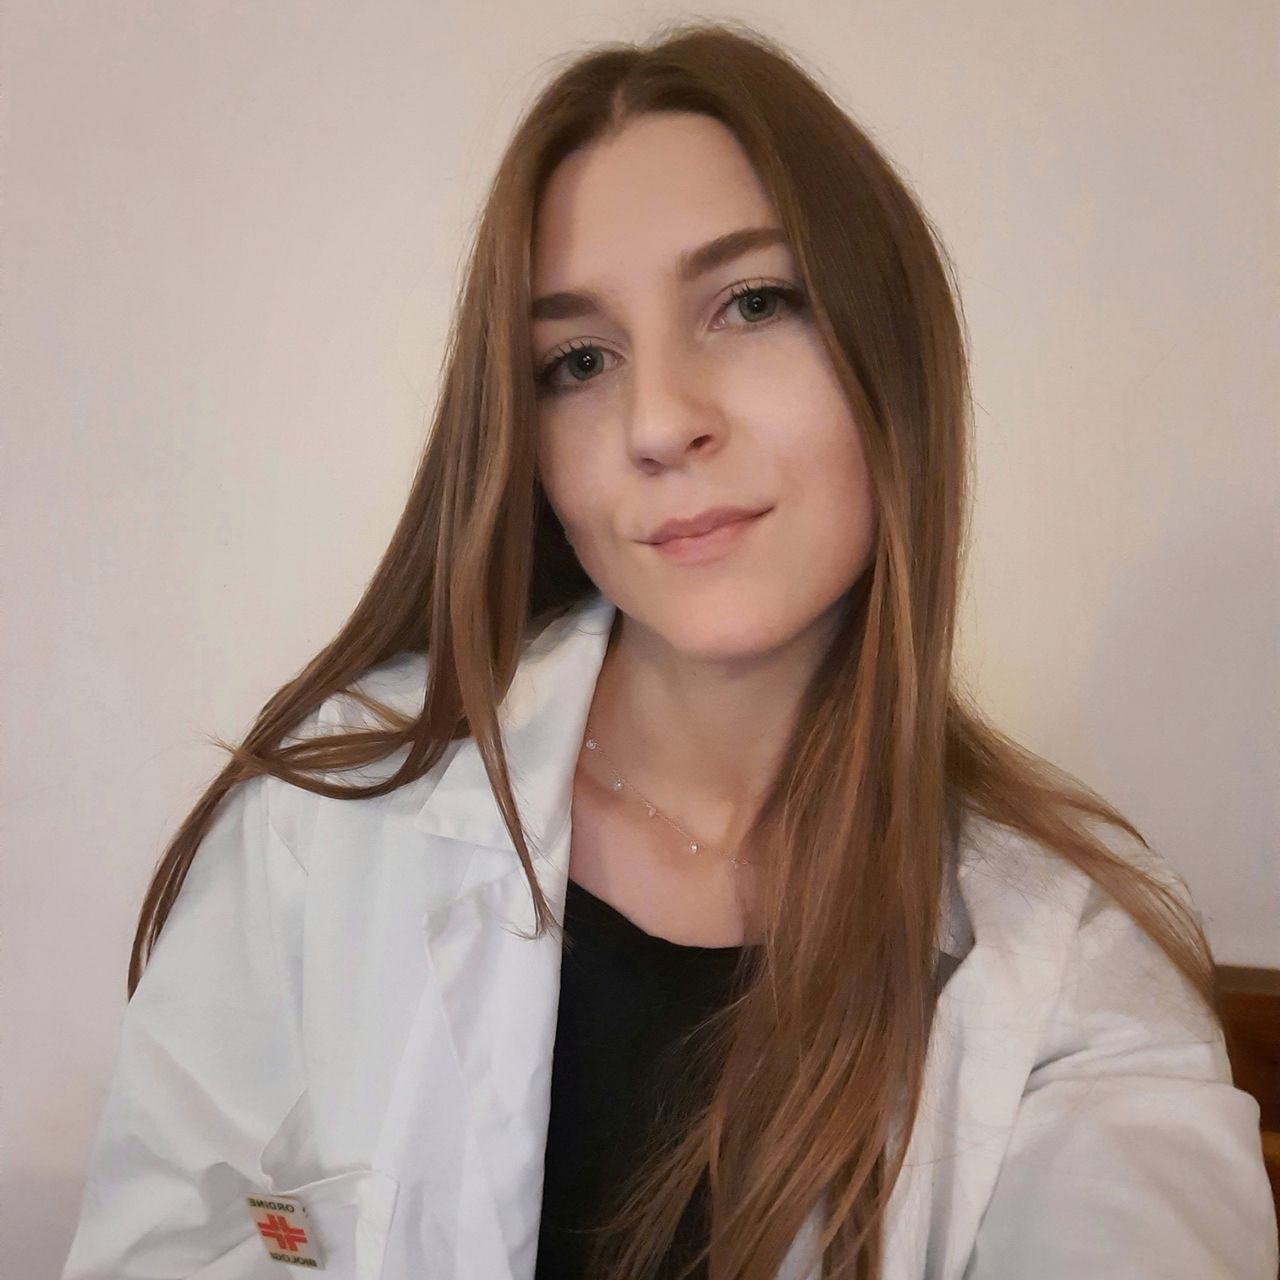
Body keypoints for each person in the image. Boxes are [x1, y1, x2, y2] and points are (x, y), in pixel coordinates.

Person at [60, 19, 1277, 1280]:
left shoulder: (1074, 960)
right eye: (577, 360)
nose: (656, 421)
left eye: (750, 303)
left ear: (892, 351)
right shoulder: (326, 816)